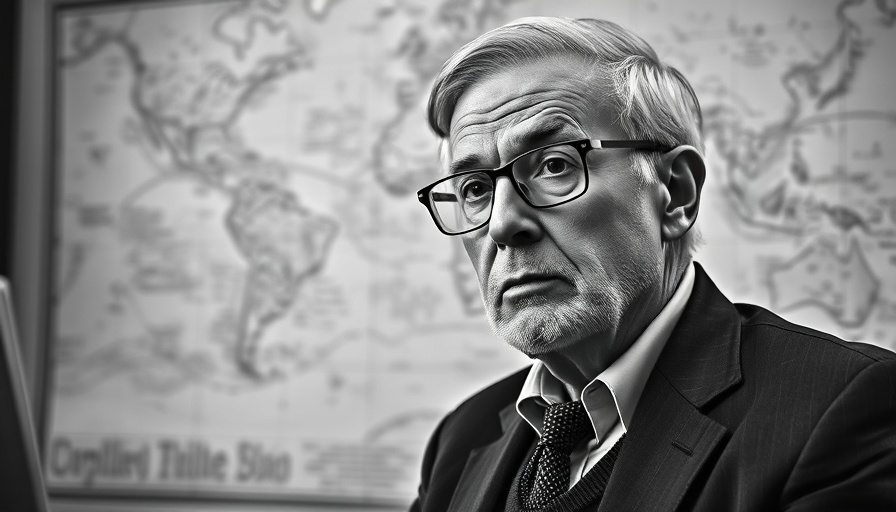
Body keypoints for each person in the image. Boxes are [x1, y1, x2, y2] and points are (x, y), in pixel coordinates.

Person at [409, 17, 896, 512]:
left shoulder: (839, 409)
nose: (501, 225)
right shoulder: (462, 435)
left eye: (555, 164)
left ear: (675, 193)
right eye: (475, 189)